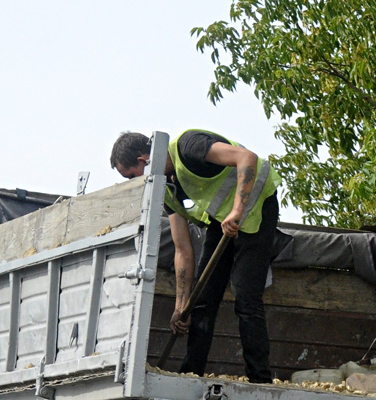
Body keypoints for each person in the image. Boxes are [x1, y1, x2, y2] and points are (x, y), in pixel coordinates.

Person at [110, 129, 279, 383]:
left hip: (258, 206)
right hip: (221, 221)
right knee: (201, 300)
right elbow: (182, 249)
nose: (137, 183)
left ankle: (259, 379)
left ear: (144, 160)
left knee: (245, 295)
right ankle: (191, 374)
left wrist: (237, 210)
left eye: (132, 176)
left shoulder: (188, 147)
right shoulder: (166, 189)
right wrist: (180, 307)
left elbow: (247, 157)